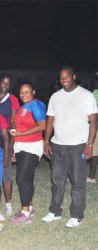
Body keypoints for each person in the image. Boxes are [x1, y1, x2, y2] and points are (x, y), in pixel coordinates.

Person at [42, 66, 97, 228]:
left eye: (67, 76)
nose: (64, 79)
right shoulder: (55, 97)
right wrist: (46, 141)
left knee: (77, 182)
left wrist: (89, 144)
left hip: (78, 145)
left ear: (74, 76)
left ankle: (77, 214)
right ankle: (55, 211)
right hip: (58, 144)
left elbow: (94, 122)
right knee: (57, 180)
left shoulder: (86, 96)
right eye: (61, 77)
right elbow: (50, 121)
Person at [9, 83, 46, 224]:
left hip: (31, 146)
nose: (24, 94)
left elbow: (42, 125)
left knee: (22, 178)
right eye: (21, 92)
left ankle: (25, 212)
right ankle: (29, 208)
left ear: (33, 91)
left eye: (27, 91)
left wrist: (21, 133)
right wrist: (14, 148)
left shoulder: (36, 104)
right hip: (21, 146)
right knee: (28, 178)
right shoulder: (22, 108)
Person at [0, 74, 20, 216]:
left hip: (6, 139)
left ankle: (8, 204)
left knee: (6, 173)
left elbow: (13, 123)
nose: (5, 85)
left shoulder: (13, 100)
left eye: (8, 83)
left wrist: (12, 144)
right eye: (3, 82)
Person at [87, 86, 98, 183]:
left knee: (94, 152)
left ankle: (91, 177)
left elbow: (93, 112)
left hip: (95, 125)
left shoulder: (95, 93)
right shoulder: (95, 92)